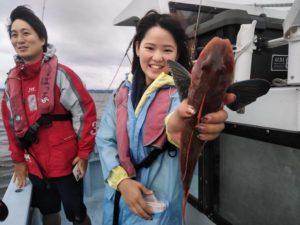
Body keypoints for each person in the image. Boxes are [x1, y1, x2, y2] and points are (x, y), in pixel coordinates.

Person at [96, 10, 235, 225]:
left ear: (178, 54)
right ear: (137, 47)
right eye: (150, 48)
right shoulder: (121, 92)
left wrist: (190, 123)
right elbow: (105, 139)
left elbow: (176, 123)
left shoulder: (183, 96)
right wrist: (122, 182)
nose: (158, 57)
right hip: (115, 202)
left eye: (167, 50)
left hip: (156, 213)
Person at [1, 6, 96, 225]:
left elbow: (86, 113)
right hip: (35, 166)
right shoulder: (11, 82)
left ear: (42, 38)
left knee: (77, 214)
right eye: (14, 35)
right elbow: (10, 125)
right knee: (48, 211)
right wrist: (18, 161)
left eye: (26, 33)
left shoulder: (62, 74)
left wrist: (83, 154)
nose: (20, 40)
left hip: (67, 166)